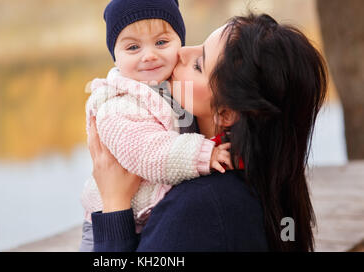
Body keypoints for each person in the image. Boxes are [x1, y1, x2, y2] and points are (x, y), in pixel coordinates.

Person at [88, 13, 328, 251]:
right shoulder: (268, 180)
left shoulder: (197, 209)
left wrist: (114, 204)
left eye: (198, 64)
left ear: (226, 114)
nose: (181, 52)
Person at [80, 0, 233, 252]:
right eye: (132, 48)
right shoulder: (118, 102)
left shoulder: (175, 90)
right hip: (108, 222)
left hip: (150, 214)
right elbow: (147, 151)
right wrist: (203, 154)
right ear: (115, 57)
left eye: (161, 42)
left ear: (179, 43)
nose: (149, 55)